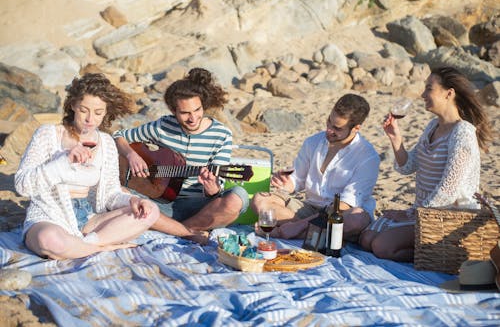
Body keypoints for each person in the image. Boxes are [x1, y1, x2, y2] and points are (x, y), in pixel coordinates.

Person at [15, 73, 161, 260]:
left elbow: (110, 193)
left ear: (106, 112)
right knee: (49, 240)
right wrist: (63, 161)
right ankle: (103, 248)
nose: (90, 119)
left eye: (98, 113)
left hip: (89, 219)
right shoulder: (48, 134)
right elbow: (22, 185)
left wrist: (130, 201)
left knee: (150, 211)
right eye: (84, 110)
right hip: (49, 215)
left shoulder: (106, 142)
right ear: (73, 105)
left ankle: (85, 244)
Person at [359, 66, 493, 262]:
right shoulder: (432, 127)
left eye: (429, 88)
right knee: (366, 239)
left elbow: (449, 190)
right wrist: (396, 139)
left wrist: (410, 214)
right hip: (424, 212)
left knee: (381, 246)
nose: (422, 94)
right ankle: (423, 250)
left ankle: (435, 256)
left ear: (449, 93)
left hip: (446, 217)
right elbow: (408, 166)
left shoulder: (462, 133)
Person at [113, 68, 248, 232]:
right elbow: (118, 136)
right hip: (160, 203)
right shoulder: (163, 126)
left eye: (197, 110)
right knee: (118, 190)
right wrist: (131, 154)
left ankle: (178, 229)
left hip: (199, 207)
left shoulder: (221, 134)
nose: (192, 118)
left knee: (237, 198)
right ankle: (180, 230)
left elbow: (216, 190)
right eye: (184, 113)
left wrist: (212, 189)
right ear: (173, 110)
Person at [251, 93, 380, 242]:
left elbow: (344, 205)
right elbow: (297, 179)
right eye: (329, 122)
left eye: (337, 128)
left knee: (357, 220)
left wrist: (298, 225)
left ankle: (292, 231)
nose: (329, 130)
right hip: (309, 209)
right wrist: (287, 184)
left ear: (356, 128)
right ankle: (314, 234)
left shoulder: (367, 157)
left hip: (341, 214)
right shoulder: (313, 142)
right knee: (260, 200)